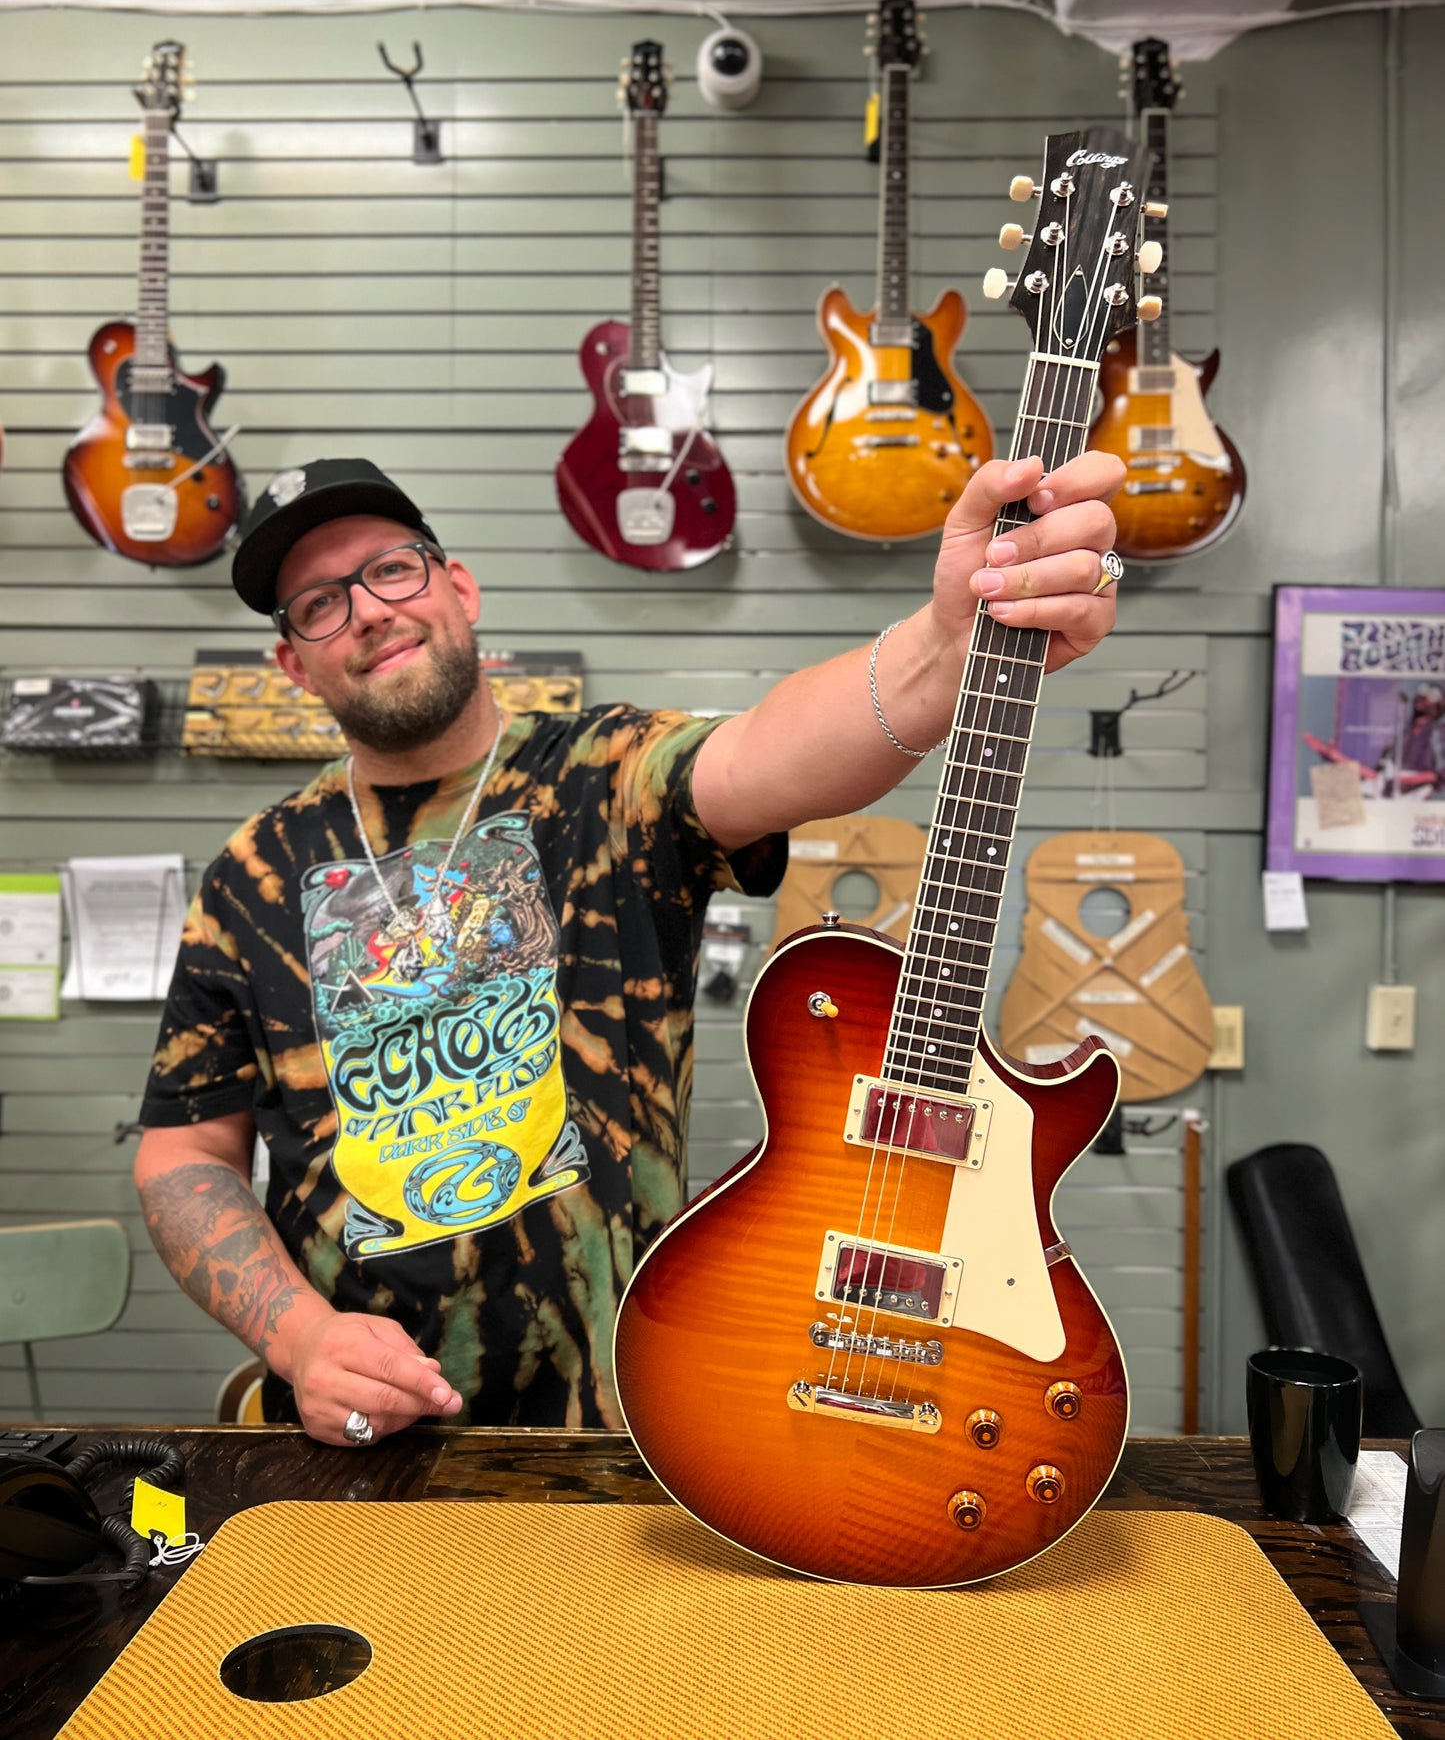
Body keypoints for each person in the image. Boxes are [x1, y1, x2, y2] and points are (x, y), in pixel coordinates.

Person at [134, 451, 1124, 1446]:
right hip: (357, 1435)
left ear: (457, 586)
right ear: (291, 663)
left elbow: (771, 751)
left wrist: (942, 645)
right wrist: (300, 1336)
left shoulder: (610, 778)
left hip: (623, 1425)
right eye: (317, 603)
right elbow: (184, 1154)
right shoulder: (249, 876)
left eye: (391, 569)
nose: (367, 610)